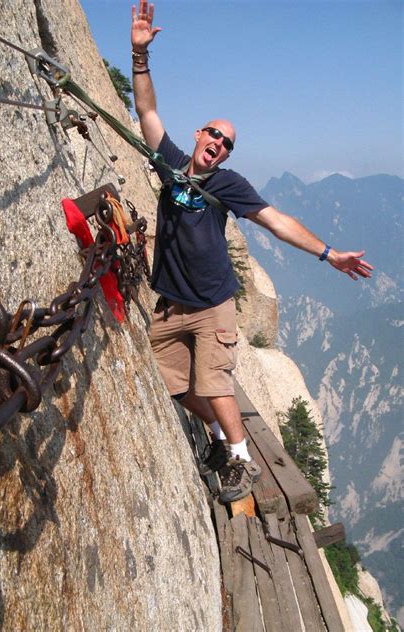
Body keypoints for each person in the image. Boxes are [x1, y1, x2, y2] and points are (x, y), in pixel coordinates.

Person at [130, 1, 373, 504]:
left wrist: (329, 254)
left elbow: (276, 221)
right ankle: (221, 439)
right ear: (199, 135)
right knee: (175, 383)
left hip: (213, 305)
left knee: (215, 382)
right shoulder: (171, 163)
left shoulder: (228, 184)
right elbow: (147, 111)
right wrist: (139, 57)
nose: (218, 143)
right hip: (170, 306)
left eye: (227, 142)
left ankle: (243, 462)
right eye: (213, 133)